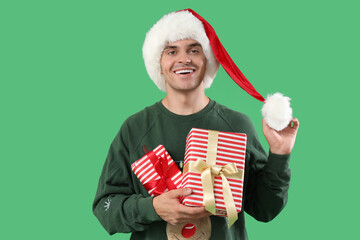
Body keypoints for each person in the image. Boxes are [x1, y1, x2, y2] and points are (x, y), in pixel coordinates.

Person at [92, 9, 299, 239]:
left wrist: (280, 154)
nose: (184, 59)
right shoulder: (135, 128)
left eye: (194, 50)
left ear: (208, 60)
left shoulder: (237, 125)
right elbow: (105, 208)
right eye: (172, 51)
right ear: (158, 64)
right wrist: (153, 208)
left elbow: (266, 209)